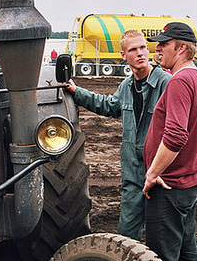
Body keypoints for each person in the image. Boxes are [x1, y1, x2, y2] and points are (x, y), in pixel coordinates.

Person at [65, 30, 171, 240]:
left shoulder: (166, 83)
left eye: (143, 47)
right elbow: (110, 106)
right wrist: (78, 92)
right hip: (133, 172)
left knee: (165, 237)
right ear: (123, 55)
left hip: (161, 173)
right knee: (127, 234)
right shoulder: (126, 86)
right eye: (133, 49)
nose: (141, 53)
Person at [142, 22, 197, 260]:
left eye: (164, 44)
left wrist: (153, 173)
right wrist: (191, 167)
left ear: (181, 48)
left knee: (163, 255)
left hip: (169, 188)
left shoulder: (179, 81)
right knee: (188, 253)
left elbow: (175, 136)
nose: (158, 49)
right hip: (187, 185)